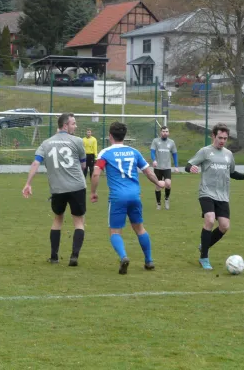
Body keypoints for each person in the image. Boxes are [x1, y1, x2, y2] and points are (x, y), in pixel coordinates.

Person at [90, 121, 165, 275]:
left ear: (110, 136)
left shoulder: (105, 153)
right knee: (140, 228)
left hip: (117, 197)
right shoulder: (134, 152)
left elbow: (96, 173)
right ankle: (149, 260)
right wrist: (159, 183)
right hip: (134, 196)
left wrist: (93, 192)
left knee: (115, 231)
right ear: (124, 136)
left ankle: (124, 257)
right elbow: (148, 172)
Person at [22, 113, 87, 267]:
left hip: (57, 188)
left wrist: (28, 183)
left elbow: (35, 163)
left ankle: (54, 257)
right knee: (78, 222)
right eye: (73, 123)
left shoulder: (46, 143)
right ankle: (74, 256)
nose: (75, 126)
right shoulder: (77, 141)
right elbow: (84, 165)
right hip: (77, 186)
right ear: (65, 125)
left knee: (57, 219)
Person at [185, 123, 244, 270]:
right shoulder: (205, 151)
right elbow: (188, 165)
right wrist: (192, 168)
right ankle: (204, 257)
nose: (222, 141)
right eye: (220, 137)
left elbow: (232, 173)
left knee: (224, 226)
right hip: (206, 193)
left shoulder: (228, 154)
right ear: (213, 136)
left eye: (225, 138)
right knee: (209, 219)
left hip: (222, 195)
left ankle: (204, 246)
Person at [150, 125, 179, 210]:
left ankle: (166, 199)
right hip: (158, 168)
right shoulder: (155, 141)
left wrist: (176, 166)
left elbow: (175, 154)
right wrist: (154, 160)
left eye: (166, 131)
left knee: (168, 184)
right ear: (160, 132)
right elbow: (152, 152)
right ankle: (158, 203)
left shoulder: (171, 142)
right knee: (158, 186)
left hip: (167, 168)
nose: (165, 133)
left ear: (168, 133)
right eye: (163, 131)